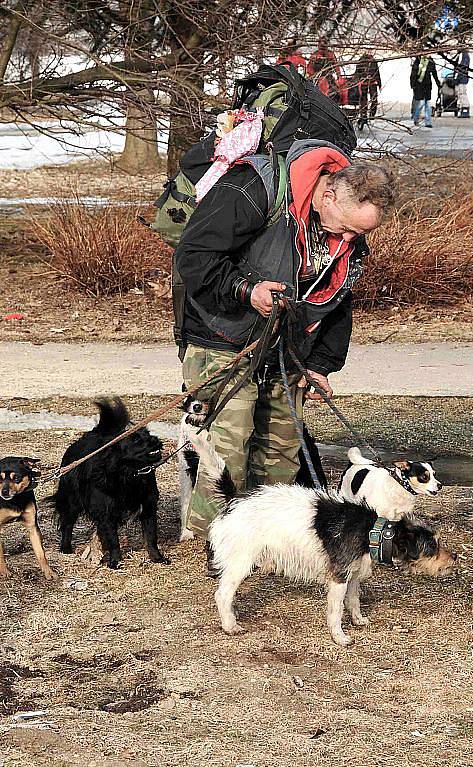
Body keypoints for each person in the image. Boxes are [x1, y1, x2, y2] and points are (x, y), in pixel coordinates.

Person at [174, 142, 395, 568]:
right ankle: (214, 544)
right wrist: (245, 289)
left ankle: (266, 539)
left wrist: (320, 364)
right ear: (328, 195)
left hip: (287, 347)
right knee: (228, 447)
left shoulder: (344, 230)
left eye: (359, 235)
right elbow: (194, 256)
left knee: (281, 452)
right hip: (222, 334)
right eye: (346, 229)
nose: (349, 240)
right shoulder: (254, 189)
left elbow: (338, 300)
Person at [410, 55, 440, 128]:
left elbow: (434, 73)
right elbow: (413, 74)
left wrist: (438, 83)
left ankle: (428, 122)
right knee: (421, 103)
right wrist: (413, 84)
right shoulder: (418, 61)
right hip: (419, 85)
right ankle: (416, 118)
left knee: (427, 104)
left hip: (427, 85)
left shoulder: (431, 61)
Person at [354, 51, 382, 126]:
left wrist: (379, 84)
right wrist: (359, 80)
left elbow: (377, 72)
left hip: (372, 82)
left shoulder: (374, 61)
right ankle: (364, 115)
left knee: (374, 99)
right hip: (364, 83)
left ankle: (372, 115)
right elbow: (357, 73)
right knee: (363, 100)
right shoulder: (361, 60)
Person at [454, 47, 470, 117]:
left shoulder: (464, 56)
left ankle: (465, 109)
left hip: (462, 78)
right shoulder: (463, 55)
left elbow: (462, 68)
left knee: (462, 94)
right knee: (460, 94)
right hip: (461, 78)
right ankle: (463, 108)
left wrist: (457, 78)